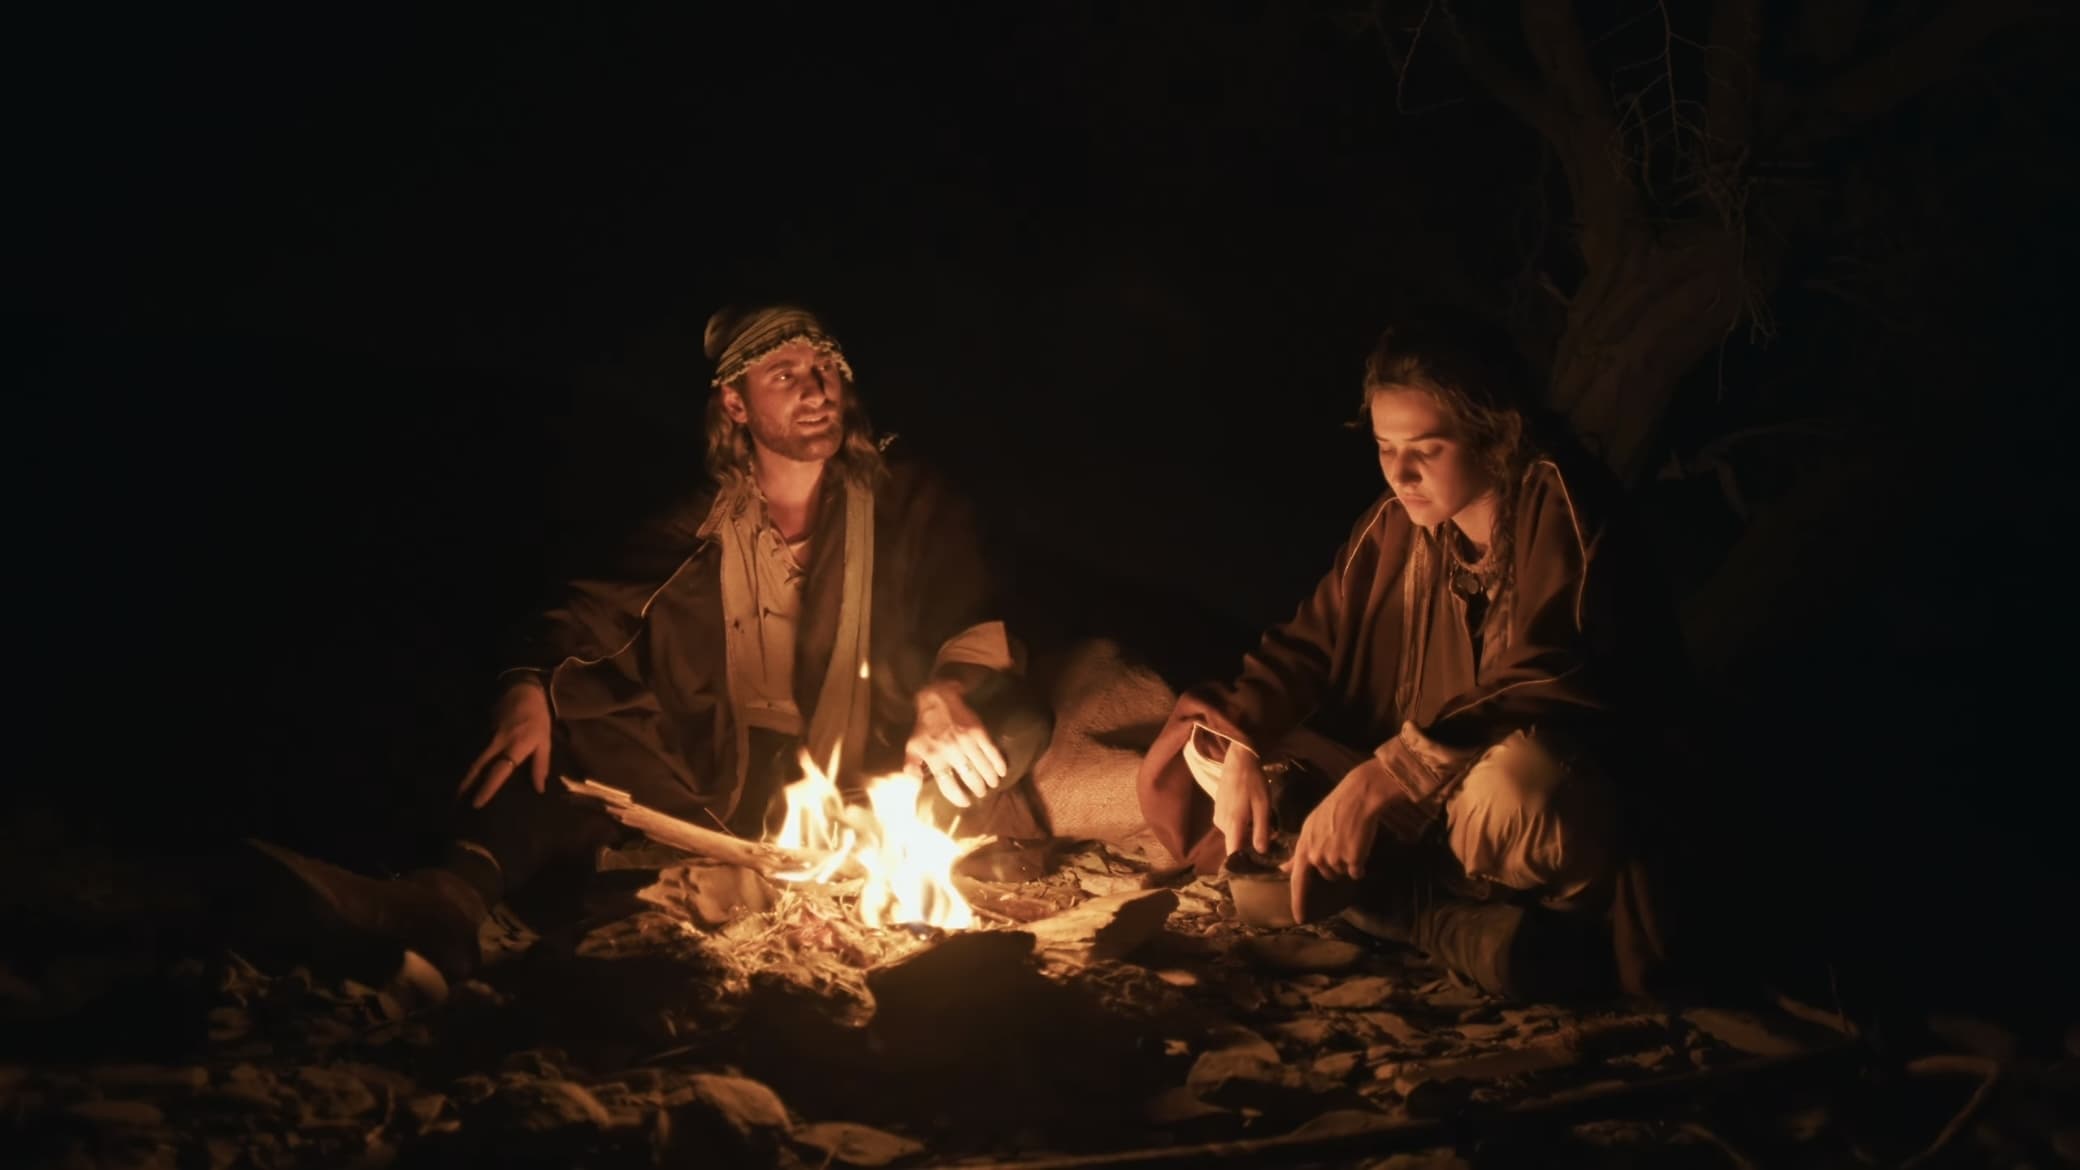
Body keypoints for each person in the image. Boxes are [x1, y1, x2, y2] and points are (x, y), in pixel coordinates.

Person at [250, 304, 1053, 985]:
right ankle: (443, 904)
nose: (815, 389)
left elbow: (969, 608)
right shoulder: (696, 523)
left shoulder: (902, 498)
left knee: (1014, 721)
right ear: (735, 404)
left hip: (871, 772)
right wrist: (527, 680)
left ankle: (874, 869)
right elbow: (589, 614)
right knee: (548, 731)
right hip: (721, 775)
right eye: (785, 375)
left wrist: (946, 691)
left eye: (825, 369)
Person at [1135, 308, 1687, 1000]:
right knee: (1212, 748)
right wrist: (1244, 748)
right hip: (1409, 792)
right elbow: (1304, 648)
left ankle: (1421, 909)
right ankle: (1424, 910)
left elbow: (1552, 672)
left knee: (1519, 795)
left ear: (1495, 435)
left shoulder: (1561, 502)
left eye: (1426, 449)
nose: (1400, 473)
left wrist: (1384, 778)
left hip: (1536, 788)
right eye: (1384, 447)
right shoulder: (1393, 526)